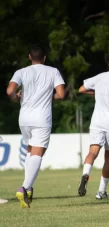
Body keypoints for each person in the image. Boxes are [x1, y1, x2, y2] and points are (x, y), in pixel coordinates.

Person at [7, 45, 65, 208]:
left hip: (24, 118)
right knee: (38, 154)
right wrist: (47, 97)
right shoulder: (53, 71)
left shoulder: (21, 72)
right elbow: (61, 94)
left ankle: (29, 187)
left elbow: (10, 91)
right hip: (42, 118)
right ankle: (24, 188)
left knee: (31, 151)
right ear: (45, 58)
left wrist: (15, 97)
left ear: (29, 57)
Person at [77, 50, 109, 199]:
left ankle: (85, 174)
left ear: (108, 64)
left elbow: (81, 89)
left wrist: (98, 92)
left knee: (92, 152)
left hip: (96, 122)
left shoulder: (100, 77)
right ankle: (101, 192)